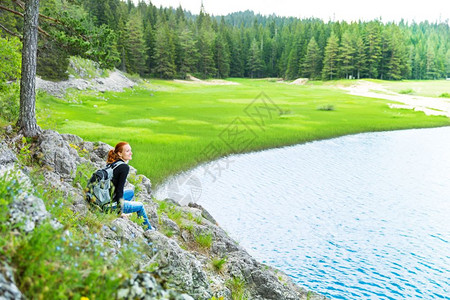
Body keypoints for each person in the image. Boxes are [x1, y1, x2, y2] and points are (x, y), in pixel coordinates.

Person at [106, 142, 155, 231]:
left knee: (130, 192)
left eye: (130, 150)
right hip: (109, 204)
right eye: (127, 151)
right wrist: (120, 212)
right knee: (140, 206)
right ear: (120, 153)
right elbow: (119, 190)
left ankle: (123, 208)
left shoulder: (113, 163)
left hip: (107, 198)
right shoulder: (124, 167)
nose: (131, 153)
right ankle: (149, 230)